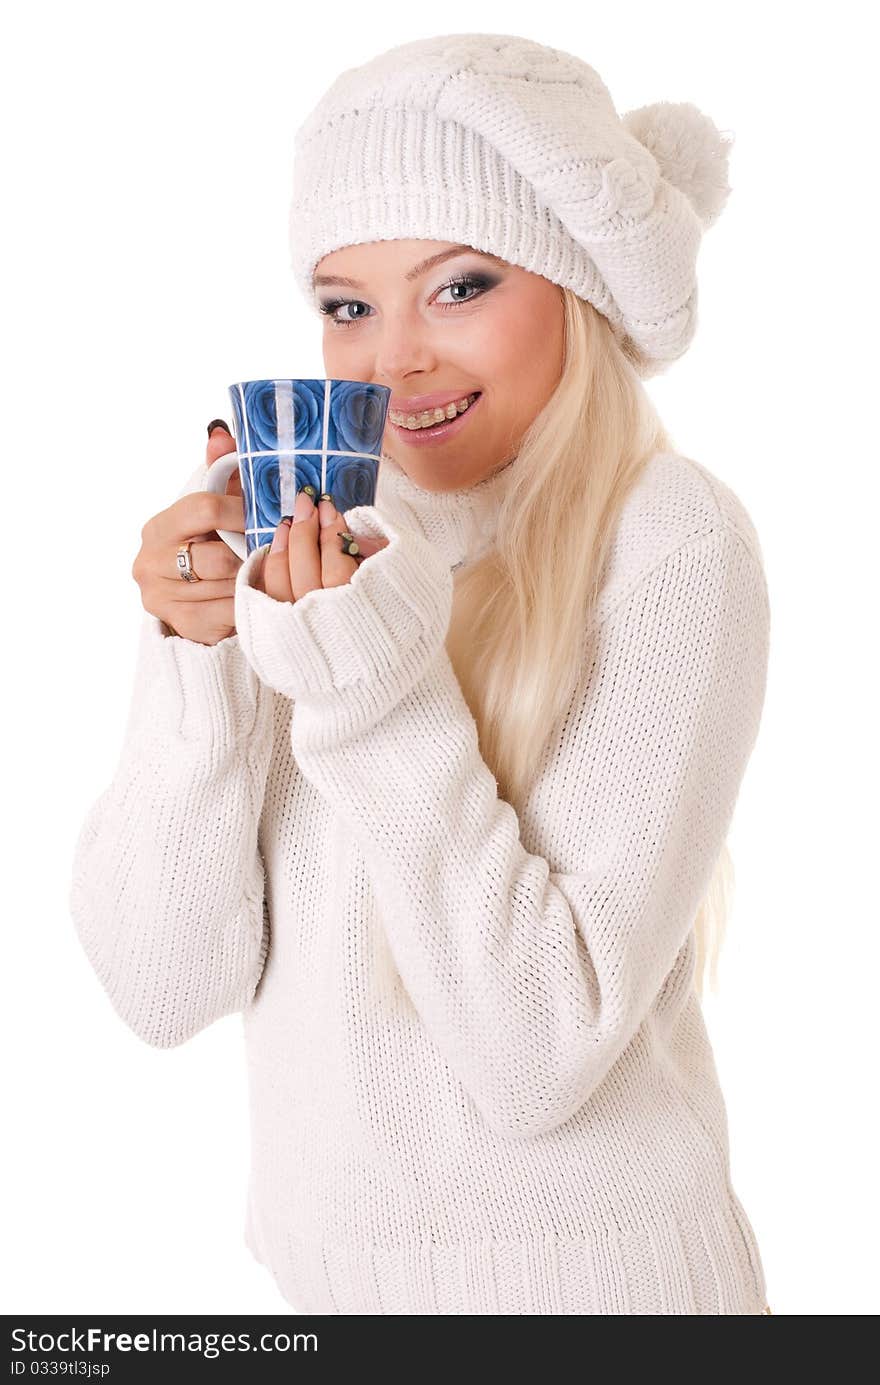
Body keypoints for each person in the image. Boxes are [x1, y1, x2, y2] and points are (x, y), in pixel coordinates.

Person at [69, 32, 774, 1315]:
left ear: (576, 288)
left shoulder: (668, 536)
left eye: (459, 286)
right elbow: (164, 987)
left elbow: (535, 1056)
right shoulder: (326, 549)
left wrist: (362, 683)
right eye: (348, 305)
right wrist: (204, 663)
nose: (391, 359)